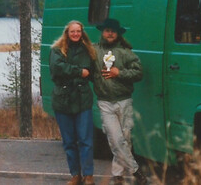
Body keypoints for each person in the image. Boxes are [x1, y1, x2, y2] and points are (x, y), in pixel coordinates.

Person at [92, 18, 148, 185]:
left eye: (113, 31)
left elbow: (138, 73)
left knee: (125, 139)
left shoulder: (126, 53)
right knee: (115, 139)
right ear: (102, 32)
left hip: (124, 101)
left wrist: (120, 73)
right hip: (105, 103)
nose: (109, 33)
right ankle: (136, 170)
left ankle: (118, 175)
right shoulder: (94, 51)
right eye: (107, 30)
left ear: (117, 34)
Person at [49, 20, 98, 185]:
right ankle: (75, 175)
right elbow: (57, 68)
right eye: (73, 31)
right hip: (63, 99)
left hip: (83, 99)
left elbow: (93, 73)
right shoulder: (57, 50)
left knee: (86, 140)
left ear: (82, 33)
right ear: (67, 33)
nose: (76, 34)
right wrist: (79, 71)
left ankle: (88, 175)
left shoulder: (89, 51)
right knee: (69, 141)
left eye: (78, 31)